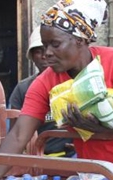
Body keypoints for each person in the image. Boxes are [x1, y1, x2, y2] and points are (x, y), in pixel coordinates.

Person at [0, 0, 113, 165]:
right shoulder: (45, 82)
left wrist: (99, 128)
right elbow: (19, 135)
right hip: (93, 172)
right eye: (44, 45)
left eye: (55, 44)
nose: (47, 53)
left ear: (80, 40)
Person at [9, 27, 73, 157]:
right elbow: (16, 135)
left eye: (51, 49)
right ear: (32, 56)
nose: (45, 55)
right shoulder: (23, 88)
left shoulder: (74, 82)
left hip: (75, 156)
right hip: (40, 158)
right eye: (38, 51)